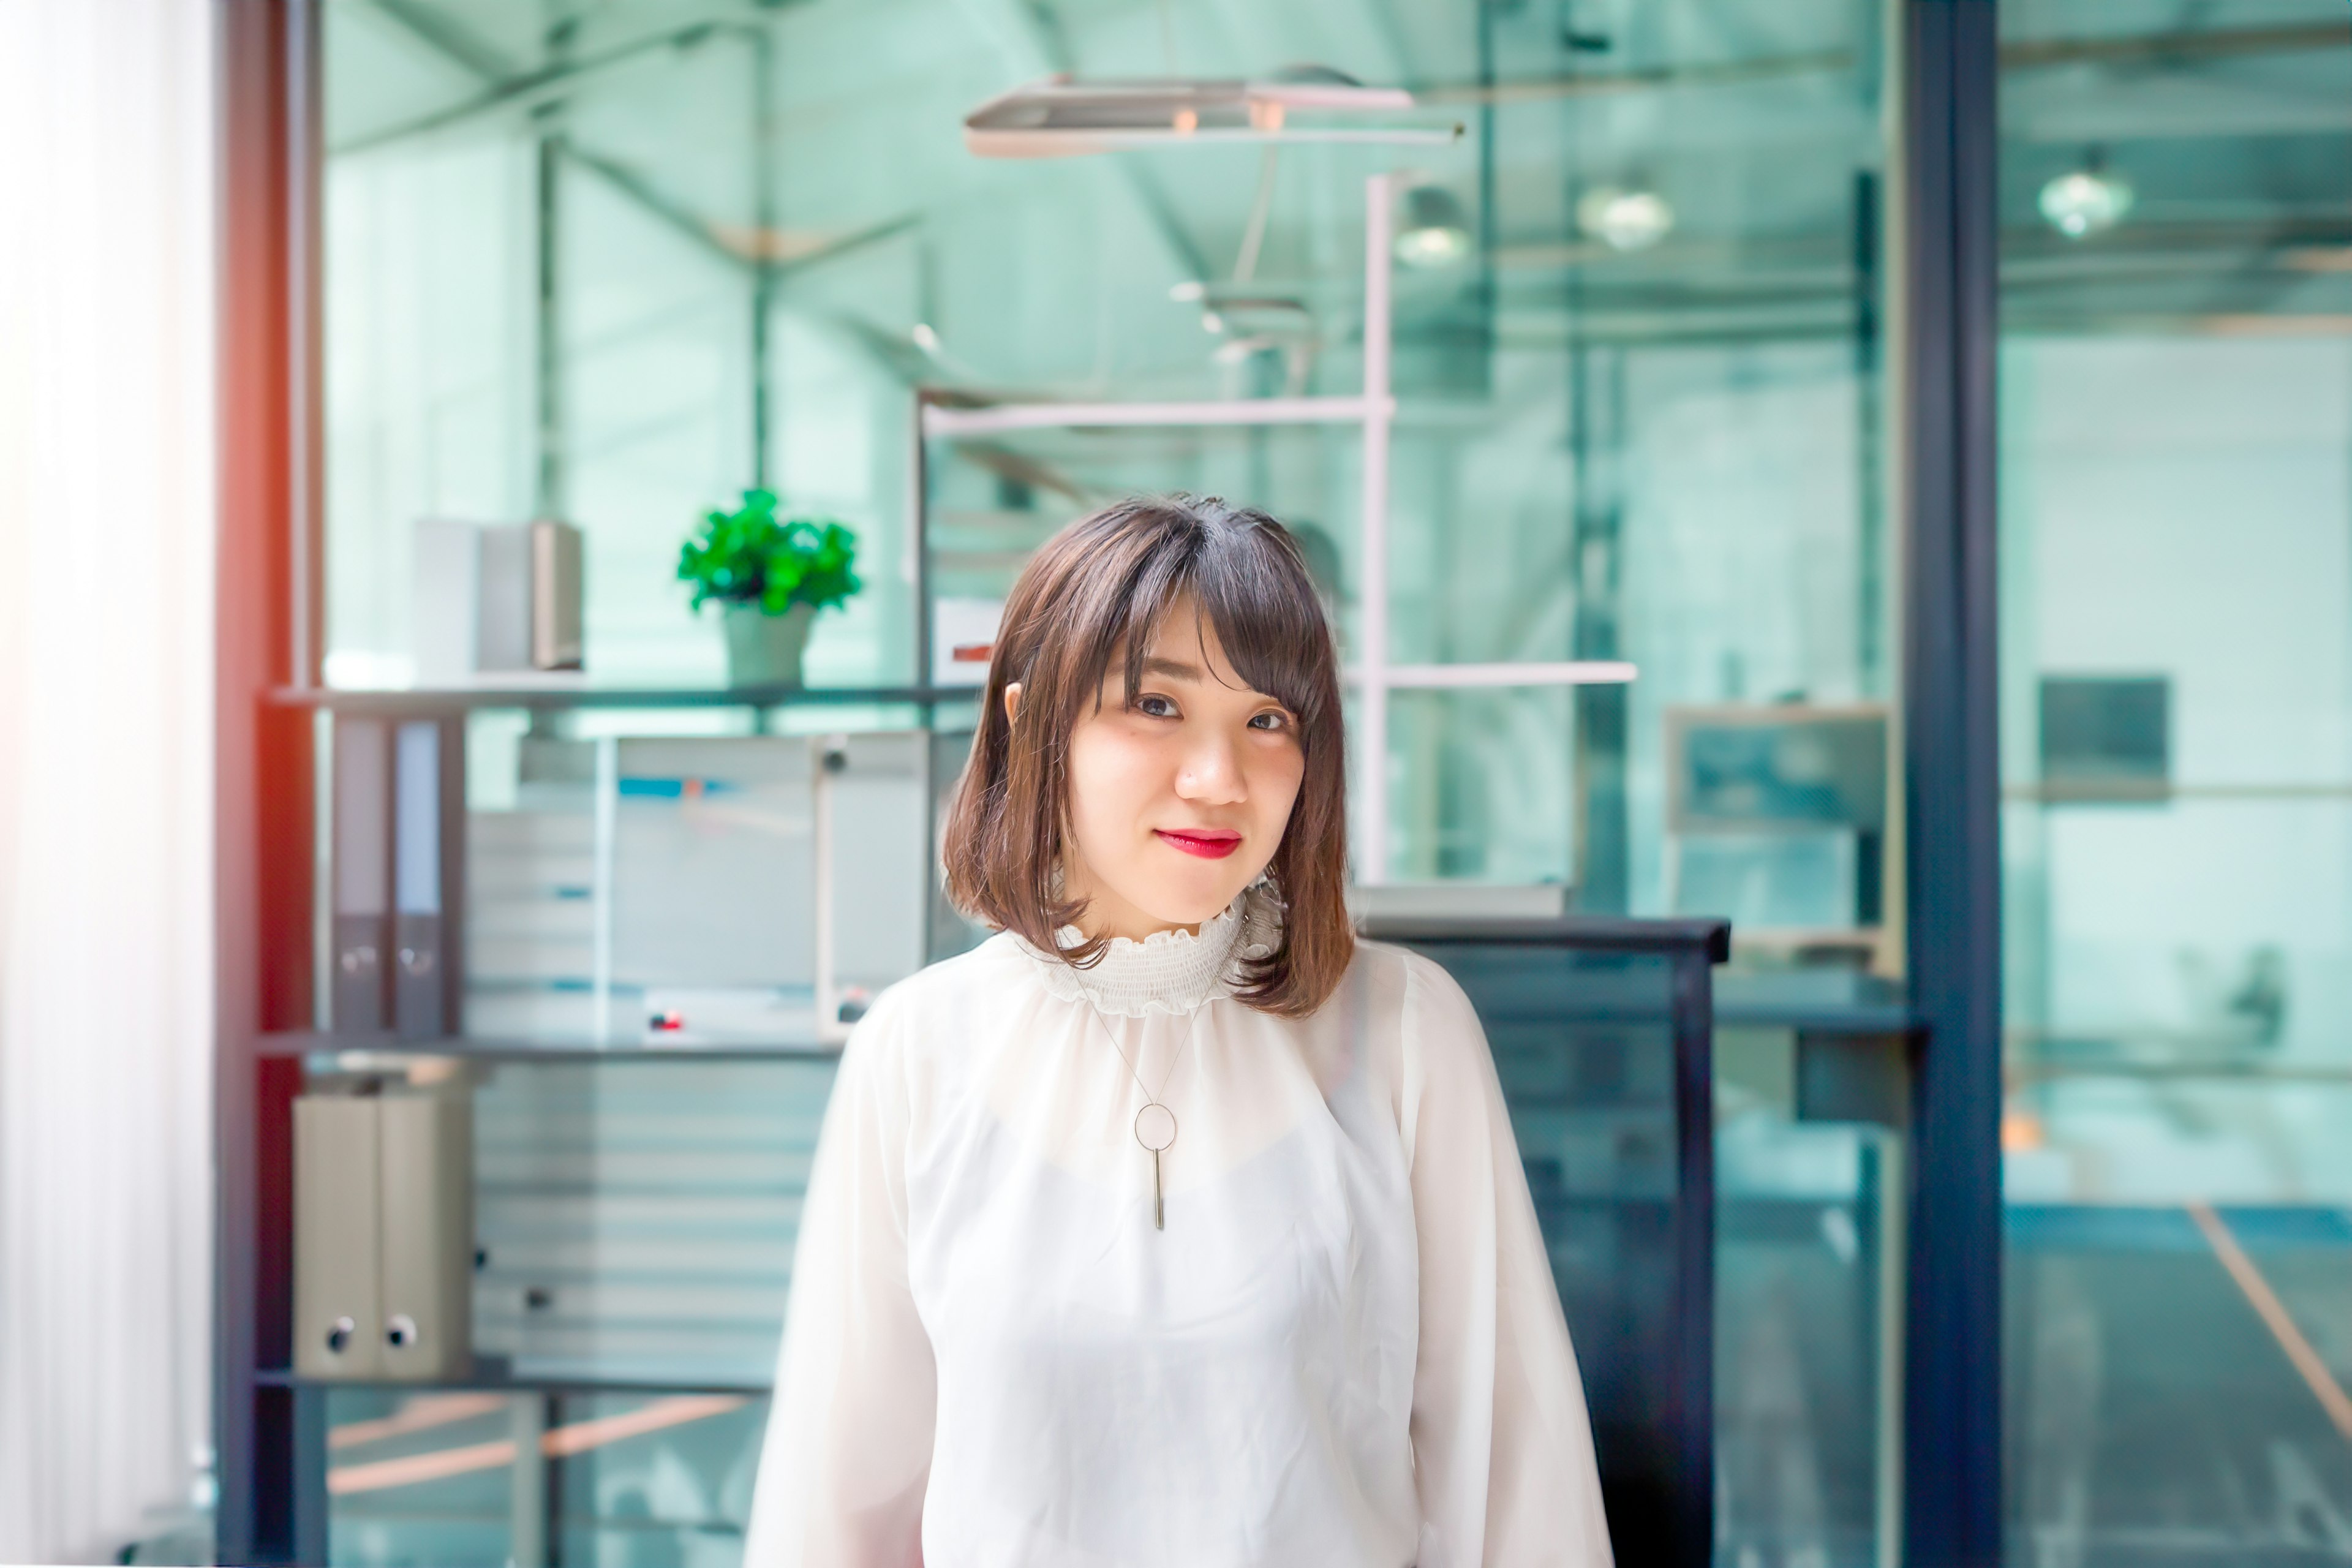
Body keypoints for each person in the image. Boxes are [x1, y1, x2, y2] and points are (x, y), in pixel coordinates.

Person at [744, 496, 1611, 1568]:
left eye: (1268, 721)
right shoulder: (919, 1050)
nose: (1219, 780)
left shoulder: (1403, 1030)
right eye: (1156, 704)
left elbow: (1517, 1483)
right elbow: (838, 1513)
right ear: (1030, 722)